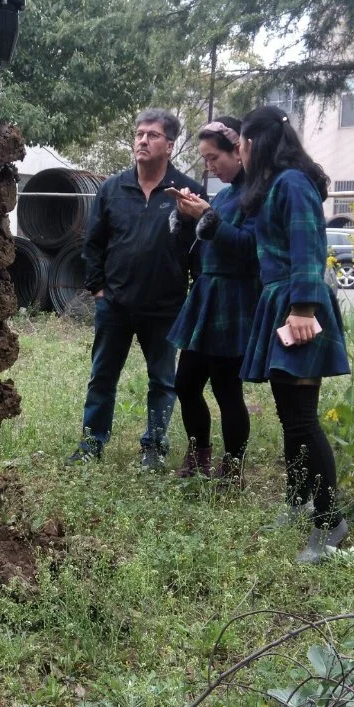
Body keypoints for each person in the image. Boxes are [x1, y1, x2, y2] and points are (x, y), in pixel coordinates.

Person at [237, 106, 350, 563]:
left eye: (242, 143)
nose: (240, 152)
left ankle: (330, 522)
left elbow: (309, 246)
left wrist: (302, 308)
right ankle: (299, 499)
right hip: (282, 302)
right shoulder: (276, 185)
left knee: (302, 417)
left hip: (299, 308)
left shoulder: (292, 184)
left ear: (255, 143)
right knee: (290, 416)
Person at [68, 108, 204, 470]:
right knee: (102, 376)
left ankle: (154, 447)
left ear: (170, 145)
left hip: (165, 307)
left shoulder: (187, 192)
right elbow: (93, 242)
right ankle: (91, 443)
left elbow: (200, 248)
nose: (143, 140)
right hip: (115, 304)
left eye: (153, 135)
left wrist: (193, 293)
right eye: (139, 134)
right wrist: (98, 289)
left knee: (163, 380)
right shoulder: (114, 188)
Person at [166, 117, 260, 484]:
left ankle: (232, 469)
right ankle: (199, 453)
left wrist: (207, 215)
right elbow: (212, 238)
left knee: (226, 388)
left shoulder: (256, 194)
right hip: (208, 294)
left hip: (234, 296)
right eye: (204, 159)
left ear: (238, 151)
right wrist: (192, 216)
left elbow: (250, 248)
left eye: (213, 157)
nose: (209, 166)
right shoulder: (228, 194)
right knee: (186, 383)